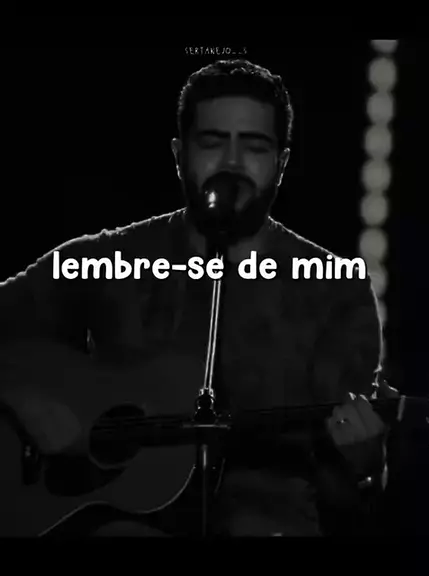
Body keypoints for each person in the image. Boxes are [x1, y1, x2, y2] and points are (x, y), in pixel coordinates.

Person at [0, 59, 397, 537]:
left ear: (282, 163)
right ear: (178, 154)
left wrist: (366, 465)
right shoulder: (106, 258)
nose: (232, 163)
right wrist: (26, 398)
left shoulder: (336, 288)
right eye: (212, 142)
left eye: (254, 146)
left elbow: (351, 502)